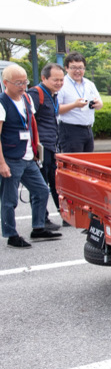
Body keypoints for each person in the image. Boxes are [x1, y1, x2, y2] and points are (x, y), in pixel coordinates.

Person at [0, 64, 61, 248]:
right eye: (18, 82)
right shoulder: (2, 103)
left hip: (28, 156)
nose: (22, 86)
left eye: (25, 82)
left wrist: (36, 149)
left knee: (42, 190)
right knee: (9, 200)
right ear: (5, 83)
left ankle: (38, 227)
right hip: (11, 157)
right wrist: (2, 163)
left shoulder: (26, 98)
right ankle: (11, 234)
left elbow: (32, 125)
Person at [27, 63, 64, 231]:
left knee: (53, 182)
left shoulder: (52, 94)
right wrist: (34, 146)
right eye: (55, 79)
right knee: (41, 185)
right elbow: (29, 120)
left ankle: (59, 216)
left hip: (51, 144)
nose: (59, 83)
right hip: (41, 146)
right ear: (44, 78)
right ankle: (42, 220)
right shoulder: (36, 93)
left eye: (61, 80)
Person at [57, 52, 103, 152]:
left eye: (81, 68)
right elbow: (56, 109)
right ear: (66, 68)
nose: (78, 71)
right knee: (74, 164)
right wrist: (74, 105)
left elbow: (100, 104)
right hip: (70, 130)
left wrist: (98, 104)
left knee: (88, 163)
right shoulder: (61, 84)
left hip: (88, 130)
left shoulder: (89, 84)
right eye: (73, 67)